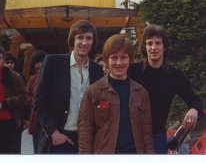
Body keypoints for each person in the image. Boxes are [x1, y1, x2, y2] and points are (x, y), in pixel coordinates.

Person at [128, 24, 203, 154]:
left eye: (158, 43)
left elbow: (195, 100)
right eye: (149, 43)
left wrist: (193, 109)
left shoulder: (174, 76)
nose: (153, 47)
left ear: (165, 47)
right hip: (131, 135)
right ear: (145, 48)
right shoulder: (132, 71)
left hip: (157, 135)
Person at [34, 20, 104, 154]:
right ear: (73, 40)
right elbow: (39, 102)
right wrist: (53, 133)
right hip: (59, 139)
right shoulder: (53, 62)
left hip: (86, 140)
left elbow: (99, 103)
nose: (84, 42)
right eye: (80, 37)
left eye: (88, 38)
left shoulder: (97, 70)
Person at [78, 34, 155, 154]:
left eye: (123, 57)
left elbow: (147, 133)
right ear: (106, 60)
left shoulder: (141, 93)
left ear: (130, 59)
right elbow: (85, 132)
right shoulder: (94, 92)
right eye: (114, 57)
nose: (119, 63)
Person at [0, 47, 27, 154]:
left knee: (10, 155)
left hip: (10, 123)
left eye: (0, 58)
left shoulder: (14, 76)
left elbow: (24, 98)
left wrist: (4, 104)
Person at [27, 50, 47, 153]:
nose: (39, 71)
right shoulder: (32, 79)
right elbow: (27, 96)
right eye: (37, 69)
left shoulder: (53, 78)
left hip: (49, 120)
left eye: (41, 67)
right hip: (36, 119)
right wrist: (34, 101)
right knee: (37, 150)